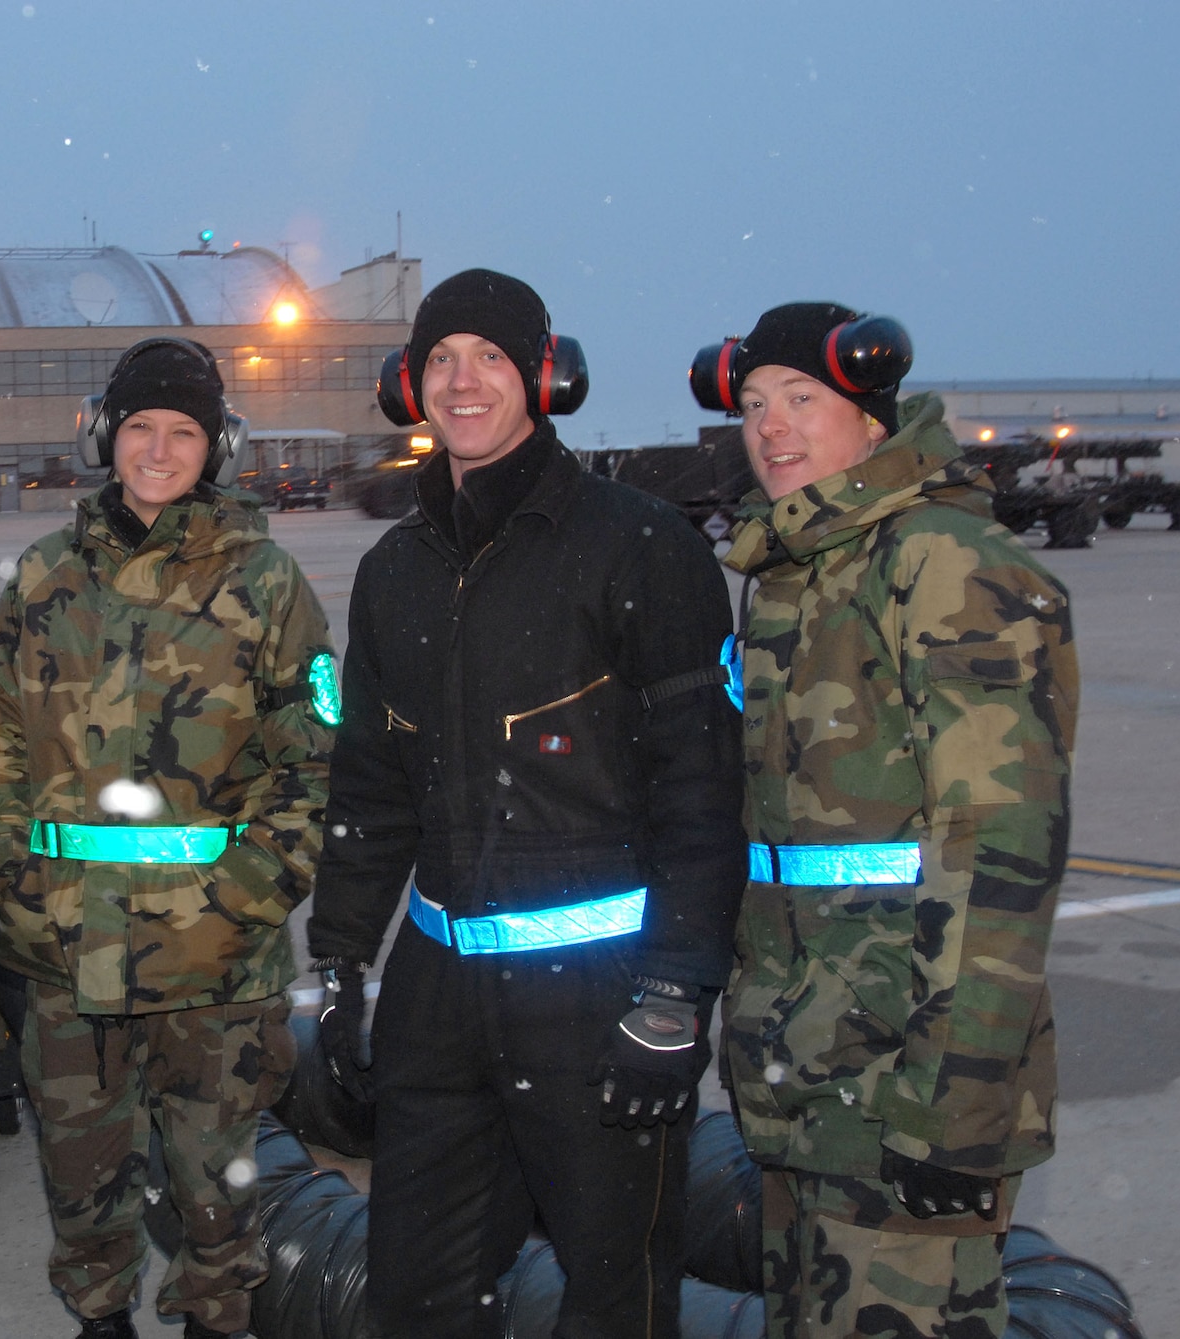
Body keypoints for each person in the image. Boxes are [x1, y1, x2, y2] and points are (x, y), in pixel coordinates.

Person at [307, 269, 747, 1338]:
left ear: (540, 377)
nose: (462, 382)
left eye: (491, 358)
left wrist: (674, 994)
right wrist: (333, 965)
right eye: (440, 360)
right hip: (436, 1001)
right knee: (417, 1295)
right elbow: (370, 786)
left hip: (596, 1004)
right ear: (408, 383)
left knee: (614, 1299)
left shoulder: (641, 545)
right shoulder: (392, 571)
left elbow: (701, 787)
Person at [696, 303, 1078, 1338]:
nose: (770, 426)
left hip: (899, 1084)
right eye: (753, 405)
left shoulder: (941, 562)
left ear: (871, 418)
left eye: (801, 399)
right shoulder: (798, 570)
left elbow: (998, 852)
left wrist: (949, 1107)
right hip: (804, 1071)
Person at [0, 337, 337, 1339]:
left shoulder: (264, 582)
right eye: (139, 429)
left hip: (219, 965)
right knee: (82, 1184)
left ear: (215, 448)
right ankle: (100, 1319)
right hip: (67, 952)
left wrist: (247, 899)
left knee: (220, 1193)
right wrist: (9, 878)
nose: (158, 451)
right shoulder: (43, 577)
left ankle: (217, 1321)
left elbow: (310, 766)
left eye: (182, 433)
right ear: (102, 436)